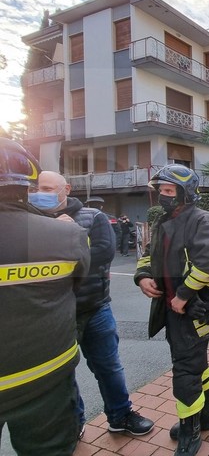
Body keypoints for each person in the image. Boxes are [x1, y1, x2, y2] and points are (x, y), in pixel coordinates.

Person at [30, 171, 154, 438]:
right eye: (39, 187)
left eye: (50, 188)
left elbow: (102, 254)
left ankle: (120, 416)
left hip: (95, 307)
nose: (43, 192)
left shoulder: (92, 217)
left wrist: (68, 236)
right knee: (62, 375)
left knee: (108, 367)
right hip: (55, 312)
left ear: (67, 188)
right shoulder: (30, 221)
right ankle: (74, 423)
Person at [135, 164, 209, 456]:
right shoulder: (163, 221)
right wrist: (143, 276)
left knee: (185, 370)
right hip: (175, 308)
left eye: (170, 191)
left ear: (186, 193)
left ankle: (190, 429)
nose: (163, 196)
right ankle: (208, 415)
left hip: (195, 309)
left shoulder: (203, 221)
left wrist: (183, 296)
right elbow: (149, 253)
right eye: (161, 190)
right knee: (196, 363)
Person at [0, 138, 90, 455]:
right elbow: (75, 284)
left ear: (66, 190)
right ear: (28, 185)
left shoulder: (77, 224)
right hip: (49, 376)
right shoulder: (66, 234)